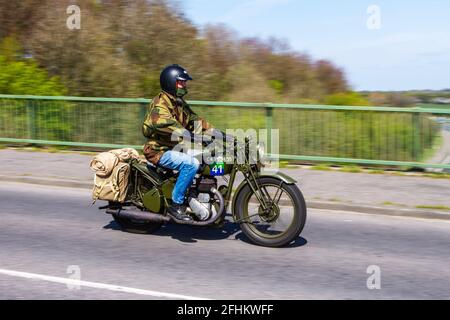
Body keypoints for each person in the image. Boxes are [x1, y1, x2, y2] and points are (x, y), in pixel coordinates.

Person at [142, 64, 214, 222]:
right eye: (182, 82)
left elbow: (196, 122)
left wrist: (219, 134)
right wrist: (193, 137)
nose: (185, 85)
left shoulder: (179, 103)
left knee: (206, 158)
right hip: (158, 151)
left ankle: (194, 194)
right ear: (171, 82)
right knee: (191, 164)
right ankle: (176, 204)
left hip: (173, 148)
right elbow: (170, 126)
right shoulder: (160, 105)